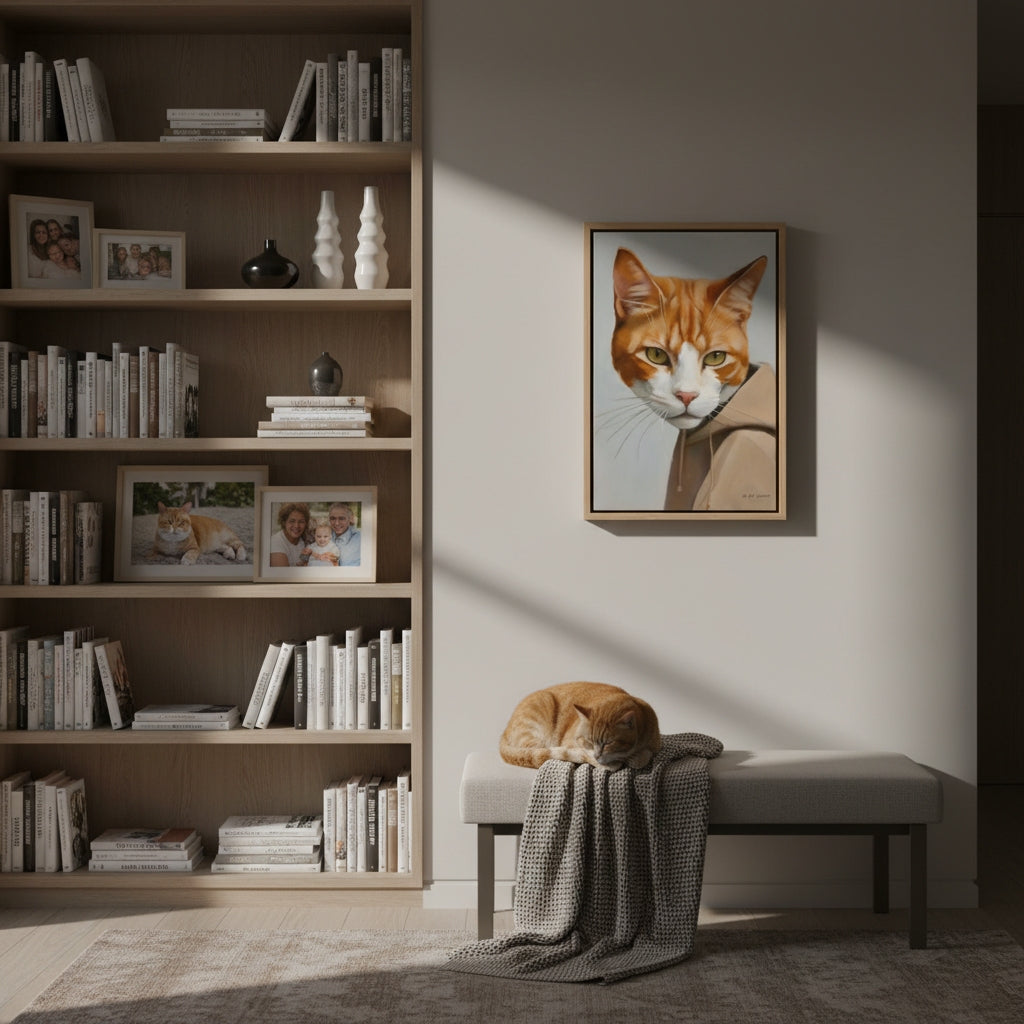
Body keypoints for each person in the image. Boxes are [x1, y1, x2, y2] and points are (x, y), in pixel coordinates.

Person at [268, 502, 310, 567]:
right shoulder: (276, 542)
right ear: (284, 522)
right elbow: (283, 574)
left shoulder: (305, 539)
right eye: (292, 521)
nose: (296, 526)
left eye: (301, 521)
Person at [328, 502, 361, 566]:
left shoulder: (360, 539)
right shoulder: (323, 535)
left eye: (341, 518)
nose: (336, 523)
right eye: (333, 518)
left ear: (349, 519)